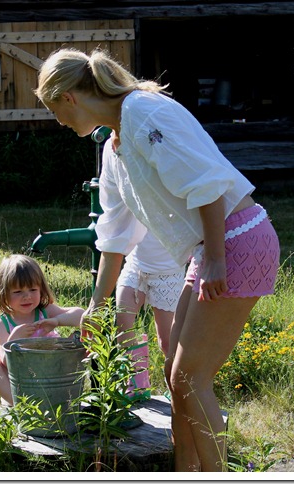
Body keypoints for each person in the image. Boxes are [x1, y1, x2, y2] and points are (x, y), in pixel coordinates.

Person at [34, 48, 280, 472]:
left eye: (53, 109)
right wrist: (96, 306)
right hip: (212, 249)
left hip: (235, 240)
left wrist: (218, 261)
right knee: (175, 375)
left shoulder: (143, 112)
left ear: (69, 98)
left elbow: (204, 183)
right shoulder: (115, 144)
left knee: (190, 378)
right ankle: (186, 472)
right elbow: (116, 233)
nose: (57, 121)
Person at [90, 139, 186, 401]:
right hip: (136, 265)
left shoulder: (168, 187)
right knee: (123, 327)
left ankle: (174, 391)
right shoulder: (128, 183)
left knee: (167, 341)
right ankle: (137, 386)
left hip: (167, 272)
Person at [0, 254, 84, 406]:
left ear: (41, 289)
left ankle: (58, 402)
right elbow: (6, 363)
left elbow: (82, 316)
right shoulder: (3, 324)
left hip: (52, 377)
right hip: (20, 386)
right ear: (4, 293)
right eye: (18, 292)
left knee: (78, 338)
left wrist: (57, 321)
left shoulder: (44, 312)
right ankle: (21, 408)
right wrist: (13, 340)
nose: (27, 296)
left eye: (33, 289)